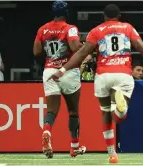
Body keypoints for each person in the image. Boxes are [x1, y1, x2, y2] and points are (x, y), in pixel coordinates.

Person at [47, 4, 143, 163]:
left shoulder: (96, 30)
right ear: (119, 16)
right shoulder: (127, 28)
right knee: (119, 116)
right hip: (123, 74)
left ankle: (112, 153)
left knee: (106, 114)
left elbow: (81, 53)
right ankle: (120, 108)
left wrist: (62, 70)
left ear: (104, 17)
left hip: (103, 76)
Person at [33, 0, 85, 158]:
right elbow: (75, 47)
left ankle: (47, 131)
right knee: (73, 110)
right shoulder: (70, 28)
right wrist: (84, 47)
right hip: (67, 71)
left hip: (49, 71)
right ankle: (74, 146)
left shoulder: (43, 29)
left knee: (51, 110)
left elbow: (36, 51)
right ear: (66, 12)